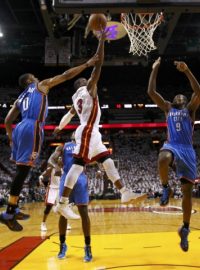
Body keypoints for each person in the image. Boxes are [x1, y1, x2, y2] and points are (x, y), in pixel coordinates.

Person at [53, 30, 146, 221]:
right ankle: (62, 203)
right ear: (84, 83)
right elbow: (99, 65)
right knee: (78, 166)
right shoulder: (87, 90)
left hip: (90, 131)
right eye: (89, 81)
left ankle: (124, 191)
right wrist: (102, 41)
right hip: (88, 130)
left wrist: (59, 128)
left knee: (107, 160)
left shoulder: (75, 97)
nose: (91, 82)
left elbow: (68, 116)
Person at [0, 54, 98, 232]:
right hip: (33, 127)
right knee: (23, 171)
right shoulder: (40, 85)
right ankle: (9, 213)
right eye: (34, 77)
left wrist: (11, 138)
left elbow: (7, 121)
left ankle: (13, 207)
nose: (37, 78)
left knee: (21, 170)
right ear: (30, 79)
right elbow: (66, 75)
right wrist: (87, 64)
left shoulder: (20, 98)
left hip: (19, 128)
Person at [148, 57, 200, 252]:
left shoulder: (190, 109)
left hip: (187, 149)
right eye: (176, 96)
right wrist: (154, 69)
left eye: (182, 96)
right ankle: (165, 188)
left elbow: (199, 92)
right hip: (172, 144)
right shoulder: (168, 108)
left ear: (186, 101)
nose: (179, 97)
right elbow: (151, 92)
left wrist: (187, 71)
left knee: (187, 193)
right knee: (163, 158)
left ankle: (185, 228)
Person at [48, 134, 92, 262]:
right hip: (66, 178)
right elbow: (51, 159)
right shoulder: (63, 146)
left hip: (81, 179)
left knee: (84, 212)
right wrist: (56, 166)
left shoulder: (85, 146)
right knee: (63, 212)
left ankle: (88, 246)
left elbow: (94, 159)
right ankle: (62, 245)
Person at [39, 157, 77, 232]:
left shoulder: (65, 169)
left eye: (61, 158)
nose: (60, 159)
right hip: (52, 189)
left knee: (63, 207)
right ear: (56, 160)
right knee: (48, 208)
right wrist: (41, 179)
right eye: (59, 158)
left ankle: (66, 224)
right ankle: (43, 223)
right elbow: (42, 175)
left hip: (60, 189)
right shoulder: (52, 168)